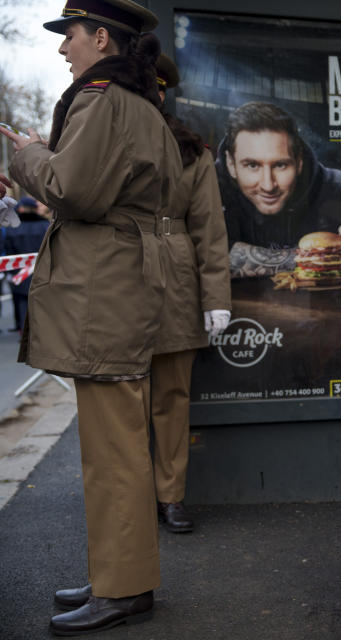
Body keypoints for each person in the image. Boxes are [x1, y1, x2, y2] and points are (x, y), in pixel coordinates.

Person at [0, 1, 182, 634]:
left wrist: (28, 155)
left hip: (106, 288)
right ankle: (117, 575)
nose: (62, 49)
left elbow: (75, 190)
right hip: (119, 283)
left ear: (102, 37)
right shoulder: (136, 101)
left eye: (70, 36)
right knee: (118, 443)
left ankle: (124, 587)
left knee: (113, 449)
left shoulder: (102, 98)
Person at [148, 54, 232, 532]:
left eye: (158, 89)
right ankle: (129, 499)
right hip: (122, 280)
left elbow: (208, 226)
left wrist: (215, 297)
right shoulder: (108, 137)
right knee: (123, 405)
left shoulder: (190, 150)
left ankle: (170, 495)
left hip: (177, 282)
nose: (152, 97)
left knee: (172, 397)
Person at [215, 101, 341, 278]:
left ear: (299, 162)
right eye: (252, 165)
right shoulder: (211, 186)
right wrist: (336, 258)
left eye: (280, 165)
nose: (268, 185)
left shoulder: (334, 186)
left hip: (322, 307)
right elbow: (204, 257)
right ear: (231, 164)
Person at [3, 196, 49, 333]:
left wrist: (10, 274)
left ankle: (24, 330)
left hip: (19, 271)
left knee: (22, 302)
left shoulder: (13, 228)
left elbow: (8, 250)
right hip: (43, 270)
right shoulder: (45, 226)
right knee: (43, 302)